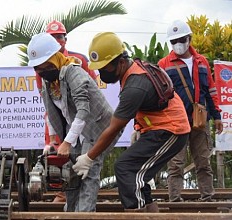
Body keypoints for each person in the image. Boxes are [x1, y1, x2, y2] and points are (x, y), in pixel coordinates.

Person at [72, 32, 191, 212]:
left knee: (127, 169)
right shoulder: (131, 71)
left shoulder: (135, 85)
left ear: (120, 61)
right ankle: (150, 213)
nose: (102, 73)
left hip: (171, 130)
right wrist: (139, 127)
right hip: (158, 128)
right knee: (137, 176)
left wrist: (89, 157)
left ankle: (136, 214)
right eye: (99, 69)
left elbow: (114, 128)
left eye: (105, 68)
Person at [27, 32, 121, 212]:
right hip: (77, 130)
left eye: (45, 66)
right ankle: (70, 214)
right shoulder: (49, 81)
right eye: (37, 68)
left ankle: (85, 215)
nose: (41, 71)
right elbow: (51, 113)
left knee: (89, 173)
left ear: (55, 57)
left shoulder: (73, 71)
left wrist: (67, 142)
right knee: (71, 175)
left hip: (99, 129)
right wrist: (54, 141)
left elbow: (83, 110)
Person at [158, 20, 223, 202]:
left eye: (181, 39)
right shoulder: (164, 64)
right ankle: (175, 200)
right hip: (176, 122)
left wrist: (217, 116)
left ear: (189, 39)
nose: (177, 44)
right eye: (173, 41)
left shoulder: (201, 61)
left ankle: (208, 198)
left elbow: (210, 91)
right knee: (175, 164)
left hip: (200, 120)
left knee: (203, 162)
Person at [38, 20, 97, 203]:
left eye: (59, 37)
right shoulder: (41, 65)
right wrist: (52, 139)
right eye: (52, 37)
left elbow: (92, 91)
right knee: (62, 158)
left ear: (65, 38)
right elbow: (48, 104)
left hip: (82, 115)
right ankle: (64, 195)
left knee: (85, 161)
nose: (57, 41)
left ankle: (84, 201)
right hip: (61, 118)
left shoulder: (78, 61)